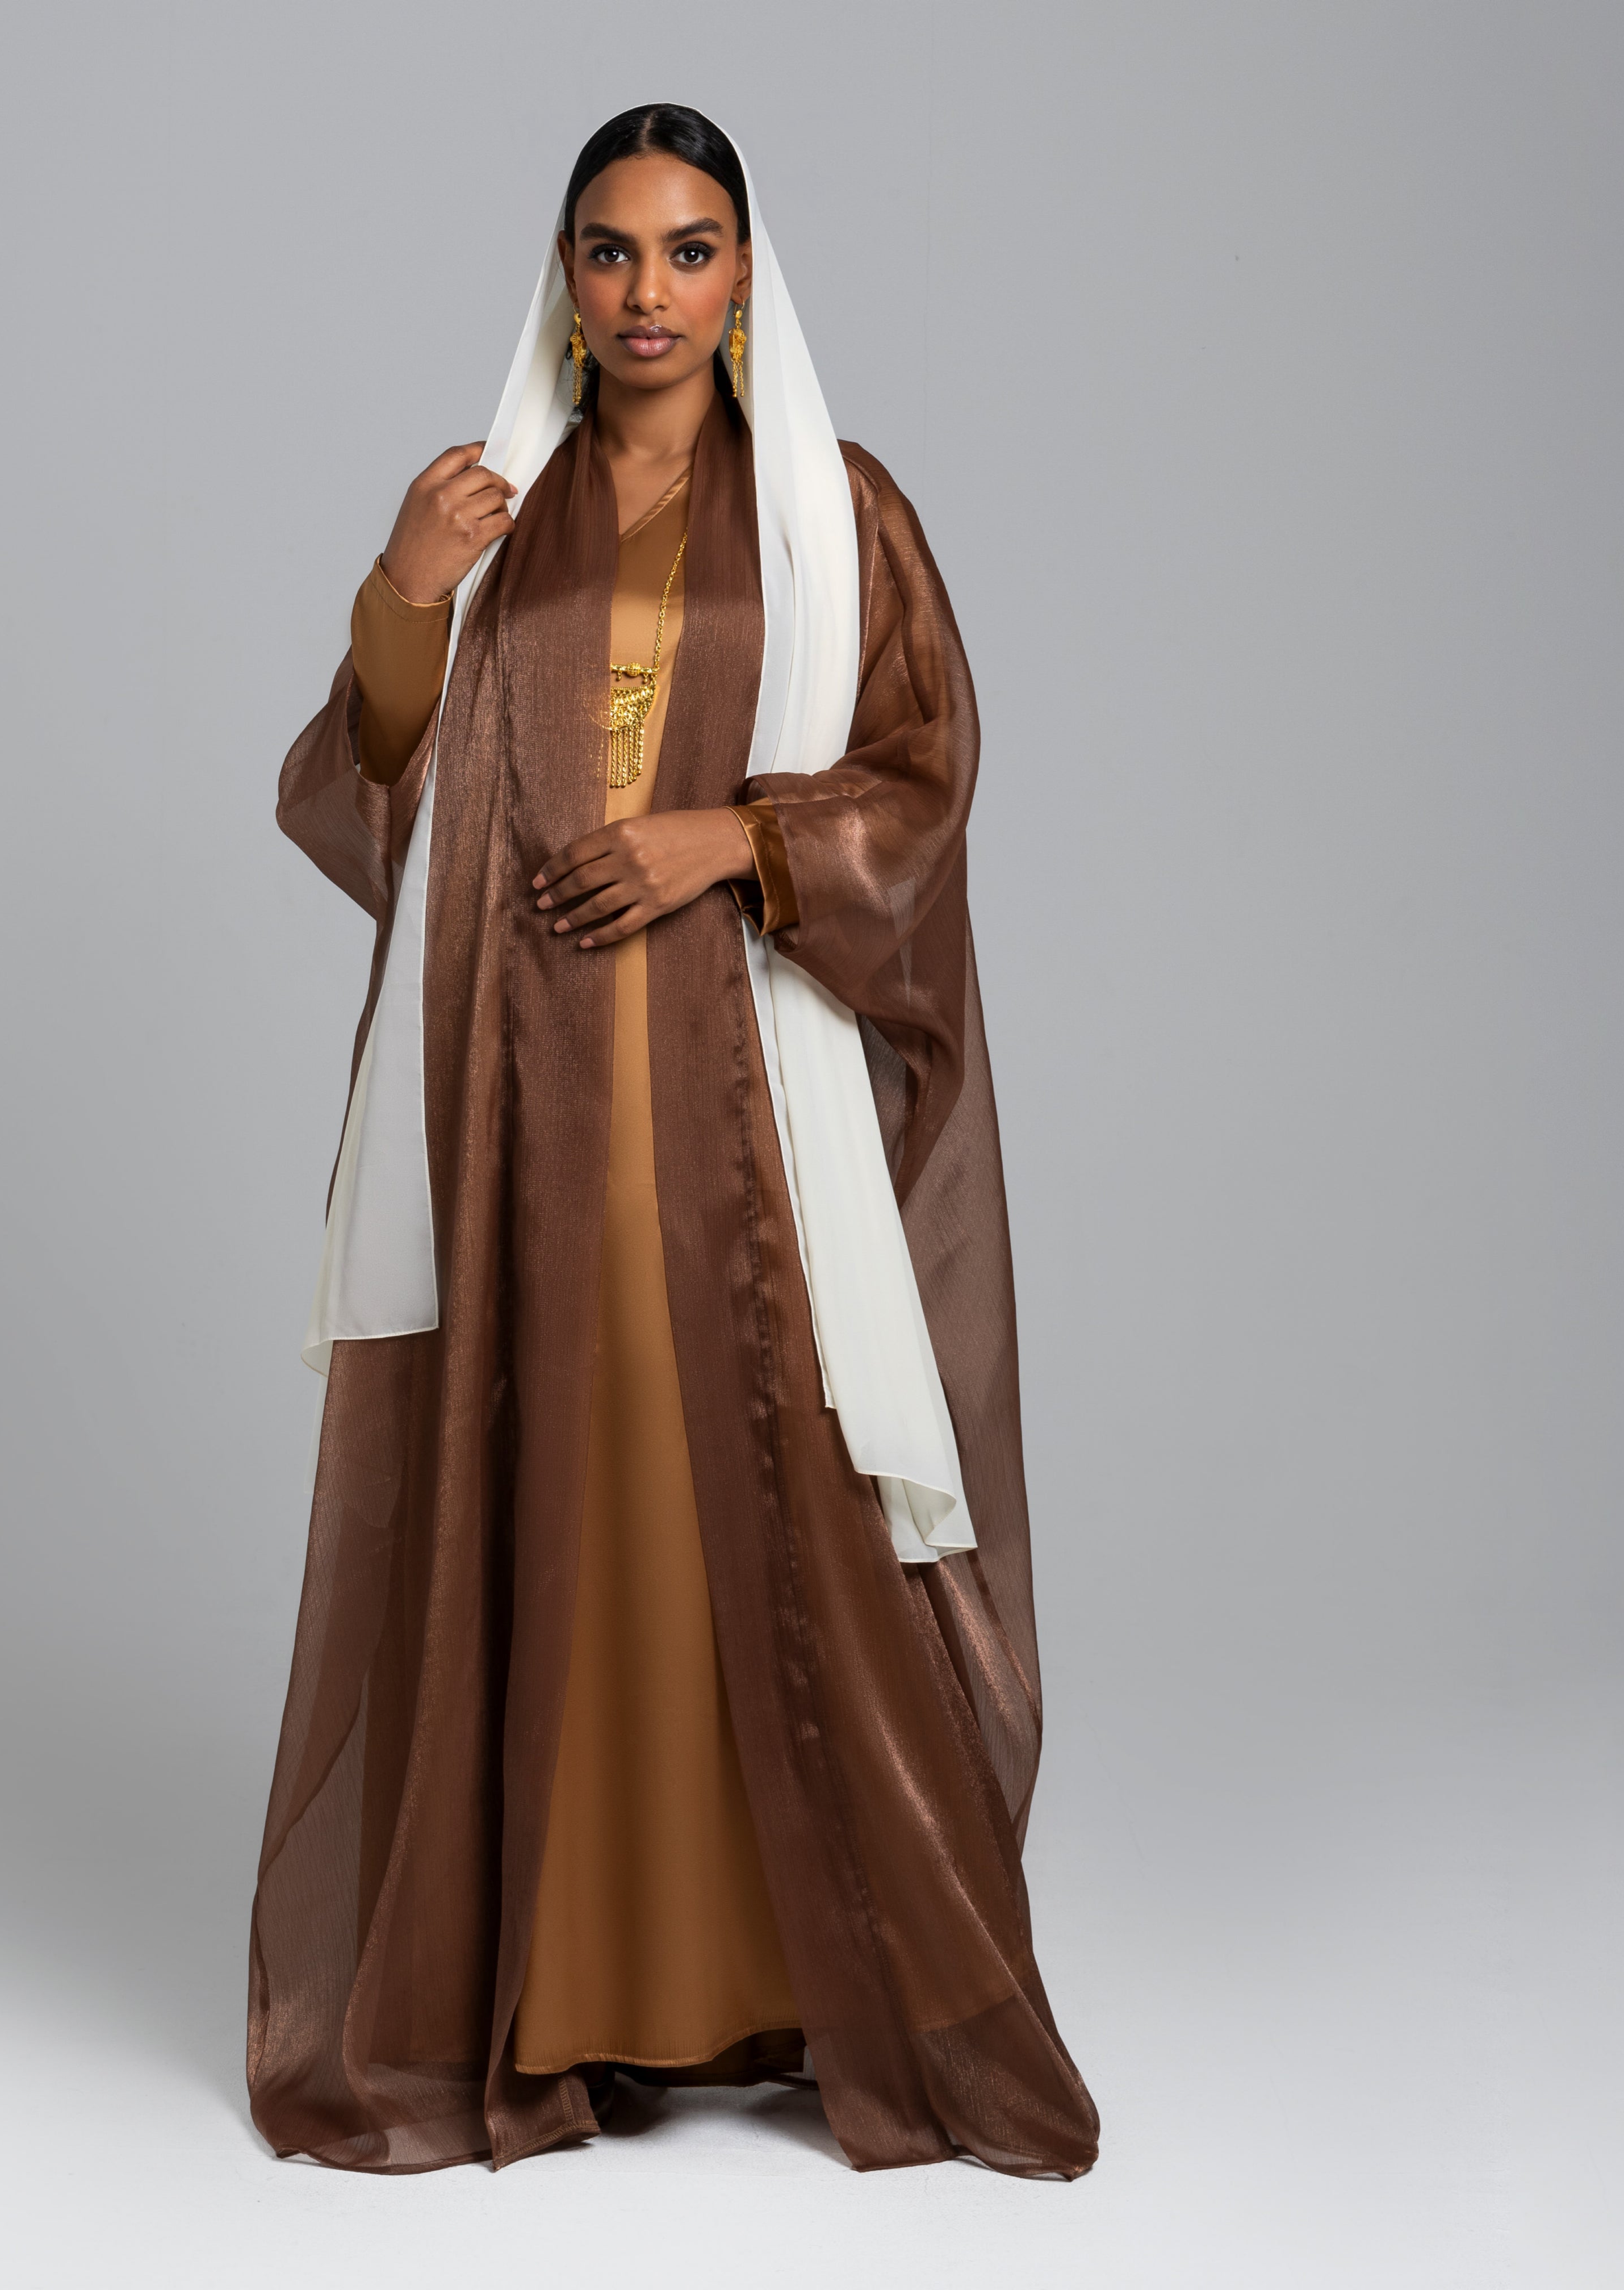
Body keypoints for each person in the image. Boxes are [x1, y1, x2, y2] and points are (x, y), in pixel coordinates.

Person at [248, 102, 1098, 2179]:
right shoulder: (494, 506)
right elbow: (370, 783)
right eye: (611, 250)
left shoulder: (831, 503)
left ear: (745, 276)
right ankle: (576, 1997)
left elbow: (926, 770)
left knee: (767, 1480)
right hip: (522, 1090)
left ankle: (803, 1976)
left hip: (742, 1093)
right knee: (565, 1476)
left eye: (691, 248)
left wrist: (733, 838)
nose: (649, 292)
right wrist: (401, 589)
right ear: (564, 277)